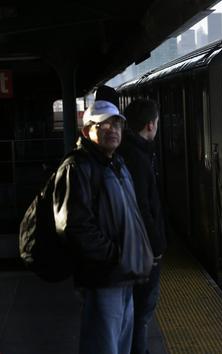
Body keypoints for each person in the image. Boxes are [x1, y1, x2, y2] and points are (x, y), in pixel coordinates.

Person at [53, 100, 153, 354]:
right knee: (103, 346)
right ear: (87, 131)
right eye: (103, 124)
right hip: (102, 278)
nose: (112, 129)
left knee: (119, 346)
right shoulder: (78, 166)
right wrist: (115, 256)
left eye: (117, 123)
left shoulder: (116, 163)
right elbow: (74, 227)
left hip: (123, 276)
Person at [119, 98, 167, 354]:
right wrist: (156, 245)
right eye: (157, 123)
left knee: (136, 312)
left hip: (137, 246)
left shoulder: (130, 151)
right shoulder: (137, 157)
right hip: (144, 249)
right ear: (150, 125)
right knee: (142, 313)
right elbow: (143, 207)